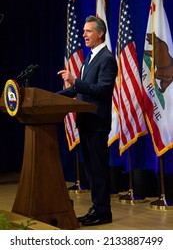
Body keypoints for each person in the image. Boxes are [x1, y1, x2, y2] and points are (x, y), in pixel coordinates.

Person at [57, 15, 117, 226]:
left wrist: (76, 82)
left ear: (100, 33)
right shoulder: (89, 58)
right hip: (85, 122)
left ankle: (103, 212)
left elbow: (102, 90)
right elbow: (77, 88)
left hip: (97, 122)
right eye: (83, 31)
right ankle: (96, 209)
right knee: (91, 170)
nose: (84, 35)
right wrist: (55, 96)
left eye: (88, 31)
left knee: (98, 169)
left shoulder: (107, 59)